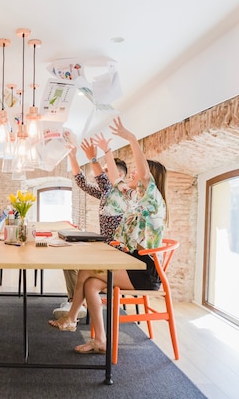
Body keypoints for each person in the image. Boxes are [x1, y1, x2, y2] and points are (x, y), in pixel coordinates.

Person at [49, 116, 167, 355]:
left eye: (137, 172)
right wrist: (106, 151)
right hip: (131, 263)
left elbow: (143, 174)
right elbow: (114, 179)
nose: (132, 173)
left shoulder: (152, 200)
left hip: (144, 270)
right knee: (91, 283)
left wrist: (131, 138)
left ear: (150, 181)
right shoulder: (133, 198)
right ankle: (99, 339)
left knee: (86, 271)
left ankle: (72, 319)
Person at [53, 137, 128, 320]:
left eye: (106, 170)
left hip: (115, 252)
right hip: (104, 248)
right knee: (68, 259)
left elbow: (103, 181)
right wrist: (73, 157)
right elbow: (82, 183)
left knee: (73, 262)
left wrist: (93, 158)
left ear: (119, 176)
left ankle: (76, 304)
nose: (101, 174)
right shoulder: (106, 193)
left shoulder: (120, 194)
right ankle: (76, 302)